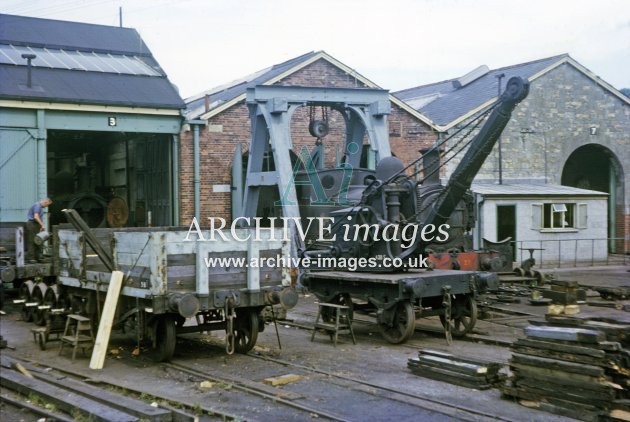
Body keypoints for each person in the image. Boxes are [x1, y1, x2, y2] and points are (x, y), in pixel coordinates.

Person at [25, 197, 52, 263]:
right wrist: (42, 225)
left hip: (35, 224)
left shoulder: (39, 206)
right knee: (32, 241)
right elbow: (36, 217)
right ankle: (31, 258)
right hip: (32, 224)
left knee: (38, 240)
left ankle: (38, 257)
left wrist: (40, 226)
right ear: (45, 202)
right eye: (47, 204)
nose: (46, 206)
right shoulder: (37, 205)